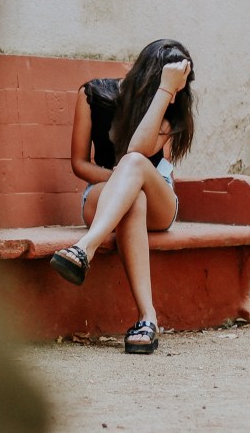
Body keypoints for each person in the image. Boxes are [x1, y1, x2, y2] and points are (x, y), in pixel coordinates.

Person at [50, 39, 195, 355]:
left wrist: (166, 90)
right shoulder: (93, 95)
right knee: (133, 199)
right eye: (168, 84)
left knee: (135, 164)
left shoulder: (171, 109)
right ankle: (147, 318)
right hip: (104, 194)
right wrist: (121, 184)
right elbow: (79, 164)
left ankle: (83, 249)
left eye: (179, 88)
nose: (175, 95)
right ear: (147, 76)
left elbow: (137, 152)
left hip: (159, 199)